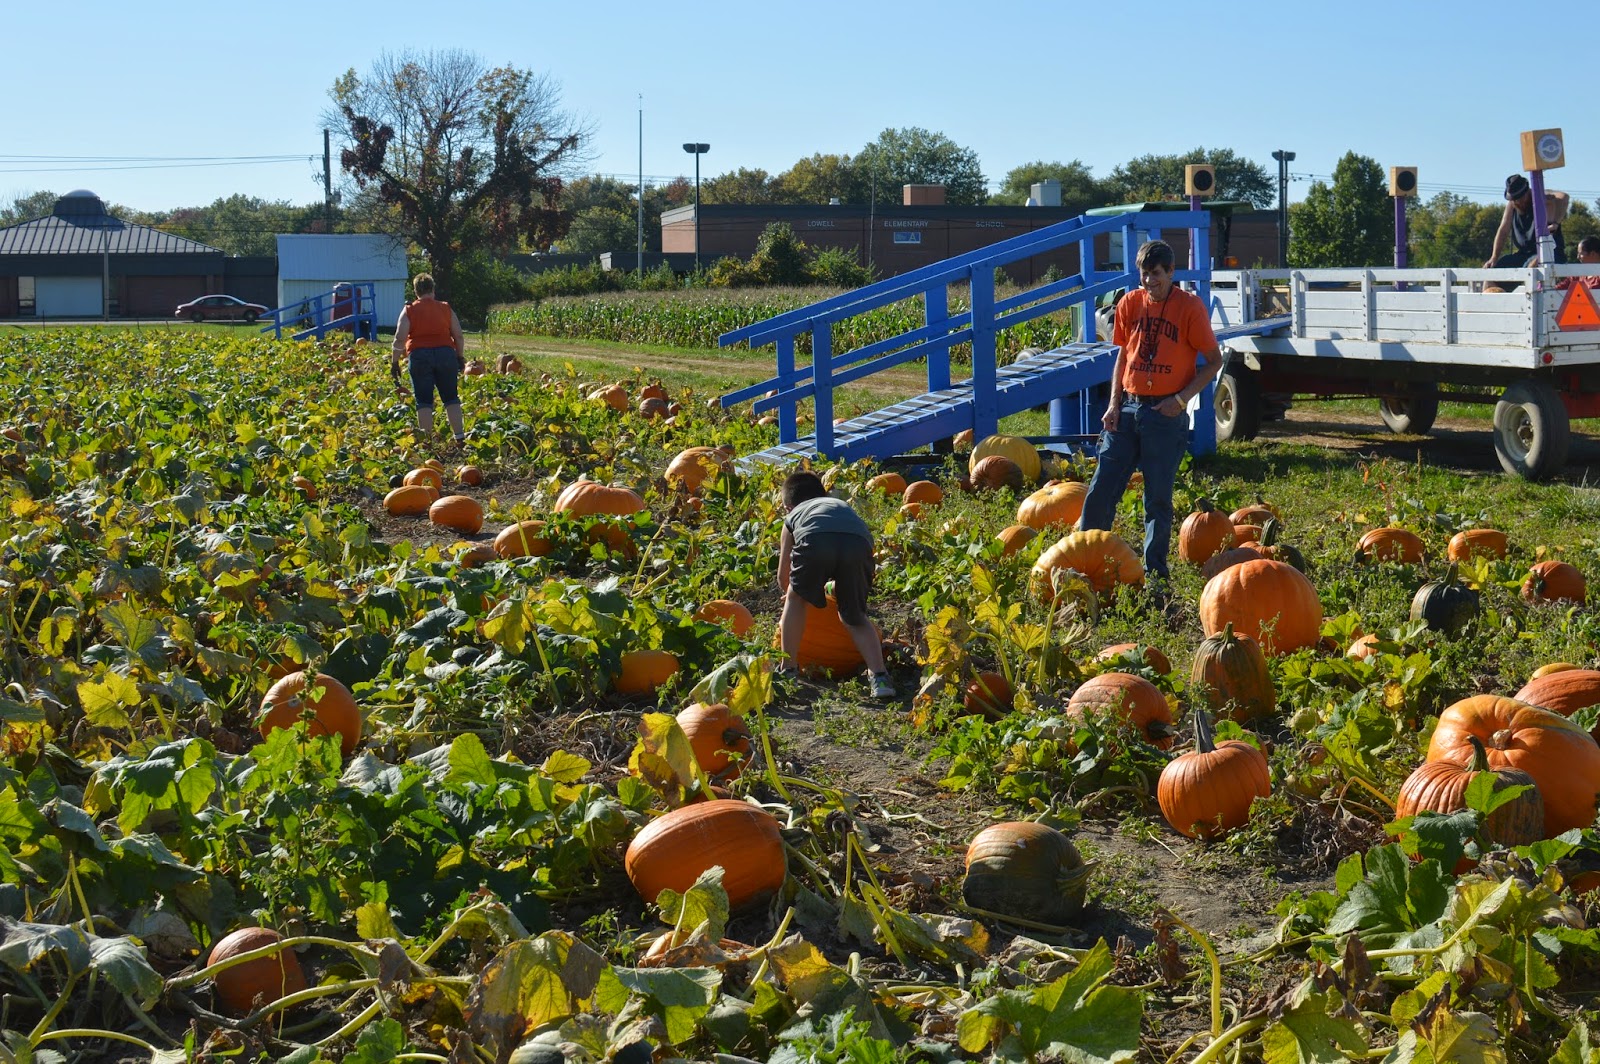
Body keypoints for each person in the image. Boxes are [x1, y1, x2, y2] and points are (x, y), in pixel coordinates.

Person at [1078, 239, 1223, 588]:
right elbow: (1122, 357)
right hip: (1128, 407)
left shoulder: (1189, 308)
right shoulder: (1129, 303)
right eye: (1144, 274)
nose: (1149, 282)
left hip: (1165, 413)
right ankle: (1083, 562)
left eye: (1156, 275)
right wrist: (1113, 404)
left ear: (1171, 272)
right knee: (1101, 488)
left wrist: (1182, 399)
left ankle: (1154, 576)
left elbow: (1213, 361)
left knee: (1157, 498)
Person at [776, 470, 895, 699]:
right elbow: (839, 546)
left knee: (795, 597)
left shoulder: (793, 517)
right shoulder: (838, 505)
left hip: (815, 539)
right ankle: (880, 678)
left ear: (787, 507)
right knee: (855, 616)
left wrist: (795, 595)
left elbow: (784, 577)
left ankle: (788, 669)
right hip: (859, 543)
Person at [390, 274, 467, 446]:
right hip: (446, 355)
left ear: (416, 291)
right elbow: (459, 336)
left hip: (419, 357)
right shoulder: (445, 308)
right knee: (451, 397)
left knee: (424, 400)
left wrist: (394, 362)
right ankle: (460, 437)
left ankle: (427, 443)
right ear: (433, 289)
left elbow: (399, 338)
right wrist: (459, 357)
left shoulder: (409, 310)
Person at [1485, 174, 1569, 268]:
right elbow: (1503, 231)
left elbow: (1564, 196)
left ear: (1527, 191)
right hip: (1524, 254)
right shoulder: (1512, 205)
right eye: (1514, 199)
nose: (1518, 202)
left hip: (1549, 252)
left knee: (1531, 268)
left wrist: (1556, 222)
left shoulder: (1540, 197)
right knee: (1495, 269)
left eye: (1520, 197)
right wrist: (1494, 257)